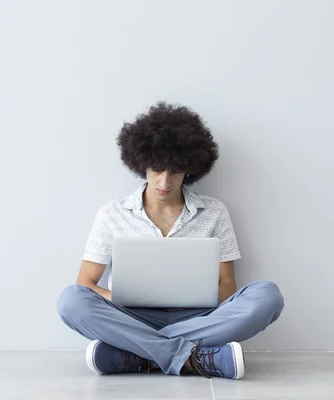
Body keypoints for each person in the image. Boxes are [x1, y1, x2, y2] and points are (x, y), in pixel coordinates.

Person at [57, 102, 284, 379]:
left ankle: (136, 354)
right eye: (157, 169)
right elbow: (86, 284)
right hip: (131, 316)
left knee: (267, 295)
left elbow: (227, 285)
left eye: (175, 171)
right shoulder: (111, 214)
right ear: (142, 164)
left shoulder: (214, 211)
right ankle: (193, 359)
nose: (164, 182)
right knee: (71, 300)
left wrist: (201, 299)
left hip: (200, 317)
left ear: (190, 169)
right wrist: (121, 298)